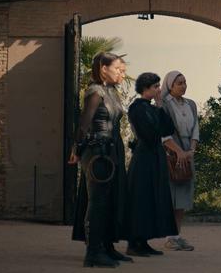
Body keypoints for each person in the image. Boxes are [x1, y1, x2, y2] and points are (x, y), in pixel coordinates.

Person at [69, 52, 131, 267]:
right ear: (103, 68)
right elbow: (84, 123)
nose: (122, 74)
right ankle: (93, 252)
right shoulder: (95, 91)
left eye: (123, 71)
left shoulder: (111, 91)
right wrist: (76, 149)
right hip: (97, 152)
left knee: (110, 200)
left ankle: (107, 247)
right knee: (97, 202)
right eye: (118, 69)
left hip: (110, 152)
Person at [125, 72, 179, 257]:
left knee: (151, 198)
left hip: (155, 157)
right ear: (145, 88)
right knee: (141, 198)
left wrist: (160, 106)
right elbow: (149, 134)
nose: (158, 90)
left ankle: (144, 240)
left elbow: (168, 129)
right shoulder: (136, 108)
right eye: (155, 87)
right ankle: (134, 242)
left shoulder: (153, 108)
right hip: (143, 158)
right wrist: (158, 119)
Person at [160, 71, 198, 251]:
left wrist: (191, 150)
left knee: (182, 195)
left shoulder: (191, 104)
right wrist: (179, 152)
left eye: (185, 82)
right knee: (170, 194)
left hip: (187, 152)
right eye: (179, 83)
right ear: (170, 86)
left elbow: (196, 128)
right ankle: (169, 236)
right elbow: (164, 133)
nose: (183, 86)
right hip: (171, 153)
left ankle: (177, 235)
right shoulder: (164, 105)